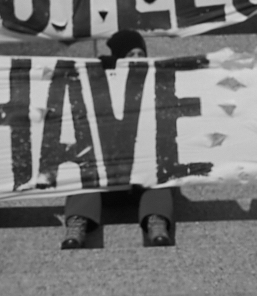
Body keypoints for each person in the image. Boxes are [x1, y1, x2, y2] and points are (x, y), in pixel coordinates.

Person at [61, 30, 180, 249]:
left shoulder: (157, 88)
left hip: (141, 180)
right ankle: (77, 225)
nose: (137, 59)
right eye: (130, 54)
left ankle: (157, 223)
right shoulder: (101, 90)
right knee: (82, 171)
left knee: (162, 172)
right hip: (106, 180)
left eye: (140, 53)